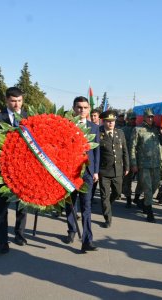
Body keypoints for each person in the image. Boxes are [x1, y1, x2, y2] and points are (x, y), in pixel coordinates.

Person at [0, 87, 29, 256]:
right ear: (6, 101)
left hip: (24, 170)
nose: (17, 104)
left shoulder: (28, 117)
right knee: (2, 208)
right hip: (3, 170)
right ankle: (2, 242)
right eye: (13, 101)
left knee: (22, 205)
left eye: (19, 101)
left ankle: (19, 234)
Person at [62, 96, 100, 253]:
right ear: (74, 108)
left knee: (87, 207)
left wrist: (96, 171)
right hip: (70, 173)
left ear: (89, 109)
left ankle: (87, 240)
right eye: (79, 107)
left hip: (88, 173)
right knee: (70, 204)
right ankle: (71, 230)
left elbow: (97, 151)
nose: (82, 110)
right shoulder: (67, 126)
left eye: (85, 108)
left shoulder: (94, 127)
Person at [130, 108, 162, 222]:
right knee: (148, 189)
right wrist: (134, 163)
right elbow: (132, 148)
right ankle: (149, 213)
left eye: (152, 117)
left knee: (155, 186)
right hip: (143, 164)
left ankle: (143, 202)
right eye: (149, 116)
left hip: (156, 164)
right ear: (144, 117)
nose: (151, 118)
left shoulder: (156, 130)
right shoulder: (138, 130)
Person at [98, 110, 129, 227]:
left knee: (117, 192)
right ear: (103, 121)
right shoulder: (98, 133)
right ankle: (107, 218)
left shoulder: (120, 133)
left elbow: (125, 150)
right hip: (104, 171)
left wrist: (127, 166)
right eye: (108, 121)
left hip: (118, 170)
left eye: (113, 121)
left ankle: (107, 205)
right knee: (104, 195)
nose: (111, 123)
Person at [121, 112, 141, 207]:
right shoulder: (123, 130)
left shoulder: (139, 129)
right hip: (127, 159)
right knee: (127, 180)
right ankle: (128, 199)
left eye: (134, 119)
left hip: (140, 159)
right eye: (132, 119)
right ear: (127, 119)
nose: (134, 120)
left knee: (141, 180)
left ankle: (136, 197)